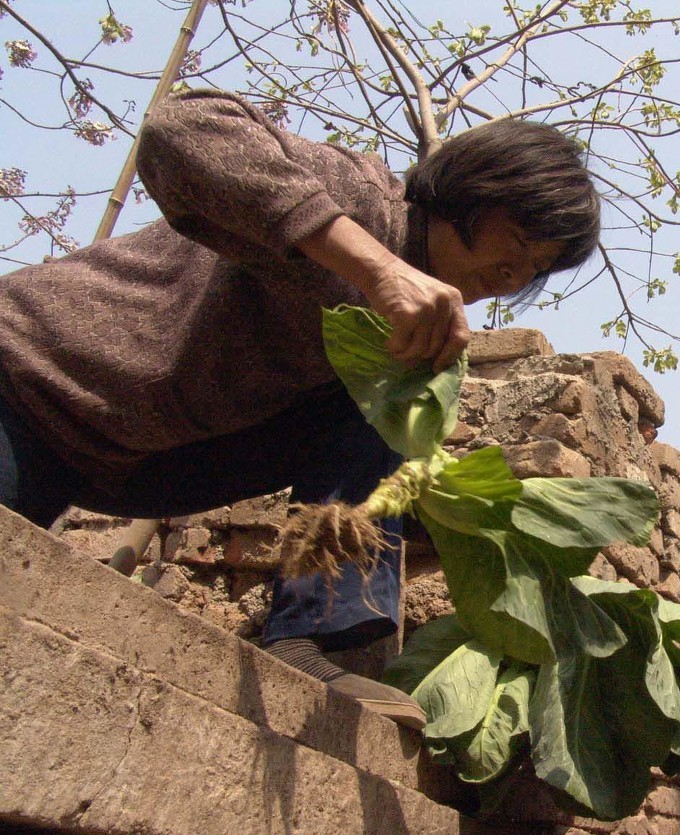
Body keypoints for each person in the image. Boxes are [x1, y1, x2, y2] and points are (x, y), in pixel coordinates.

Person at [0, 89, 601, 729]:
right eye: (515, 241)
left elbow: (355, 466)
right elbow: (180, 127)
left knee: (381, 414)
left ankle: (309, 637)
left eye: (536, 267)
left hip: (130, 459)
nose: (513, 275)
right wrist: (376, 270)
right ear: (469, 194)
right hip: (30, 382)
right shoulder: (360, 197)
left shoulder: (420, 336)